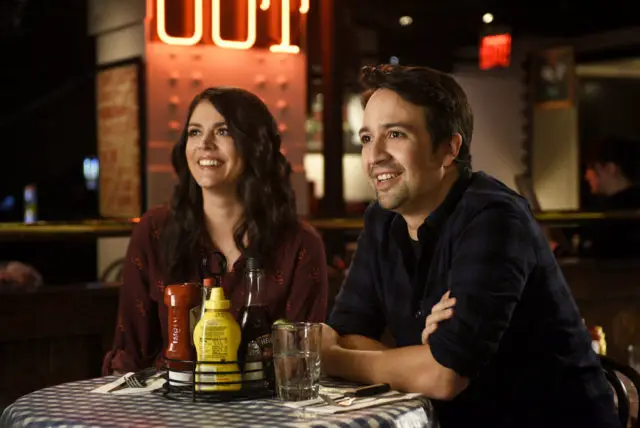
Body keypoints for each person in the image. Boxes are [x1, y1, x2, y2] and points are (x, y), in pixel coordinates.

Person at [321, 65, 618, 428]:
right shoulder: (381, 220)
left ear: (449, 148)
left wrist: (331, 358)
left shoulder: (494, 217)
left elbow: (444, 377)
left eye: (395, 134)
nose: (375, 155)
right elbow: (349, 334)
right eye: (367, 138)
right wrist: (419, 361)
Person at [103, 87, 328, 375]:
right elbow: (129, 354)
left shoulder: (300, 244)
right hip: (168, 406)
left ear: (254, 146)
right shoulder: (155, 231)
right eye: (195, 132)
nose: (204, 144)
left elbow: (302, 361)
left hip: (265, 410)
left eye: (223, 132)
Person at [582, 136, 640, 258]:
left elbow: (595, 258)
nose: (587, 175)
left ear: (611, 168)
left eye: (592, 167)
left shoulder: (612, 215)